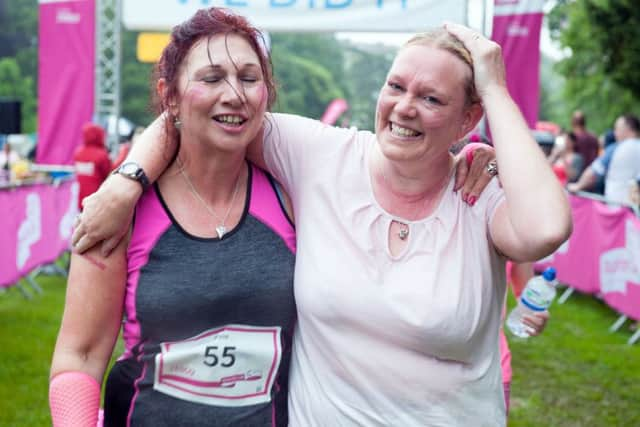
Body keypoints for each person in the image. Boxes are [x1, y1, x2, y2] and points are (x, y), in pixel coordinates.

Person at [71, 13, 572, 425]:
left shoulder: (477, 194)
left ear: (467, 118)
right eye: (396, 86)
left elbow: (545, 228)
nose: (405, 108)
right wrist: (126, 180)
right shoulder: (320, 156)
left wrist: (497, 92)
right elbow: (199, 112)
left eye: (432, 99)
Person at [50, 9, 299, 426]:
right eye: (212, 77)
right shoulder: (120, 211)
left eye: (249, 78)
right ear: (170, 95)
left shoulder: (293, 195)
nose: (234, 94)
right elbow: (81, 355)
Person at [568, 114, 640, 204]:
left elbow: (593, 172)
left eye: (617, 129)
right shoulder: (593, 137)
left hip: (619, 207)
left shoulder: (616, 148)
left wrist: (578, 186)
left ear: (628, 129)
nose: (615, 133)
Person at [72, 123, 113, 210]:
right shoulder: (102, 155)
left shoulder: (78, 153)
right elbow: (109, 175)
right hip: (97, 198)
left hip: (81, 198)